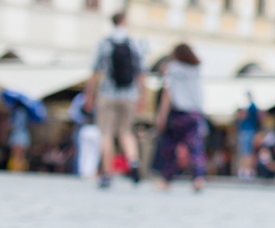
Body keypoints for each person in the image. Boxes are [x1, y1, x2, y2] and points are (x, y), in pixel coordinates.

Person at [84, 11, 145, 188]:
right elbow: (141, 73)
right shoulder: (134, 42)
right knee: (126, 131)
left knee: (106, 134)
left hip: (108, 94)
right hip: (129, 95)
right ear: (124, 22)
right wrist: (142, 96)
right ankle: (133, 162)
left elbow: (94, 72)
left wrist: (89, 96)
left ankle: (107, 172)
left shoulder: (105, 43)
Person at [154, 44, 208, 191]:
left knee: (170, 147)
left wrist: (161, 116)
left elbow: (167, 94)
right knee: (196, 147)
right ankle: (198, 179)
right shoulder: (196, 69)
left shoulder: (172, 68)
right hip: (195, 112)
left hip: (178, 113)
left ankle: (166, 180)